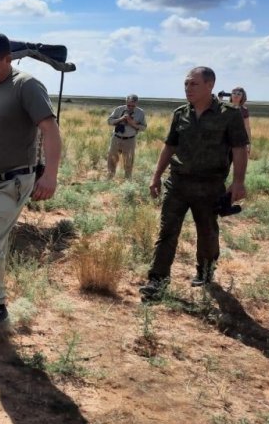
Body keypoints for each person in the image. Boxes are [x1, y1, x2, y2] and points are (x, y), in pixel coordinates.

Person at [0, 31, 62, 333]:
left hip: (14, 180)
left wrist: (51, 174)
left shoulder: (26, 86)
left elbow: (50, 129)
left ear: (8, 59)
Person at [139, 67, 248, 300]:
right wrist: (156, 176)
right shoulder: (180, 113)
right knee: (167, 232)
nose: (188, 88)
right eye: (186, 84)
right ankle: (157, 280)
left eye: (193, 84)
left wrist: (238, 182)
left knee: (207, 233)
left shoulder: (229, 114)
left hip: (210, 185)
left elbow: (239, 148)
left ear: (210, 85)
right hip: (177, 183)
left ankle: (205, 272)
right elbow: (170, 146)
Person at [106, 94, 147, 179]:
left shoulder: (140, 113)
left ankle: (127, 180)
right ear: (126, 102)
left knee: (128, 161)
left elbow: (143, 127)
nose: (130, 107)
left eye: (133, 105)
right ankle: (110, 178)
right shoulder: (119, 109)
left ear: (136, 103)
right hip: (116, 138)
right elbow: (109, 121)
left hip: (130, 140)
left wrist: (132, 123)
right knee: (112, 159)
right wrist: (120, 119)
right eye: (128, 105)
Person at [230, 86, 251, 155]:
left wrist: (249, 143)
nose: (236, 95)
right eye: (234, 93)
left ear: (242, 96)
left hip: (239, 140)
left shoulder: (244, 110)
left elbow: (247, 127)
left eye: (239, 94)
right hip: (225, 139)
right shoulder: (224, 107)